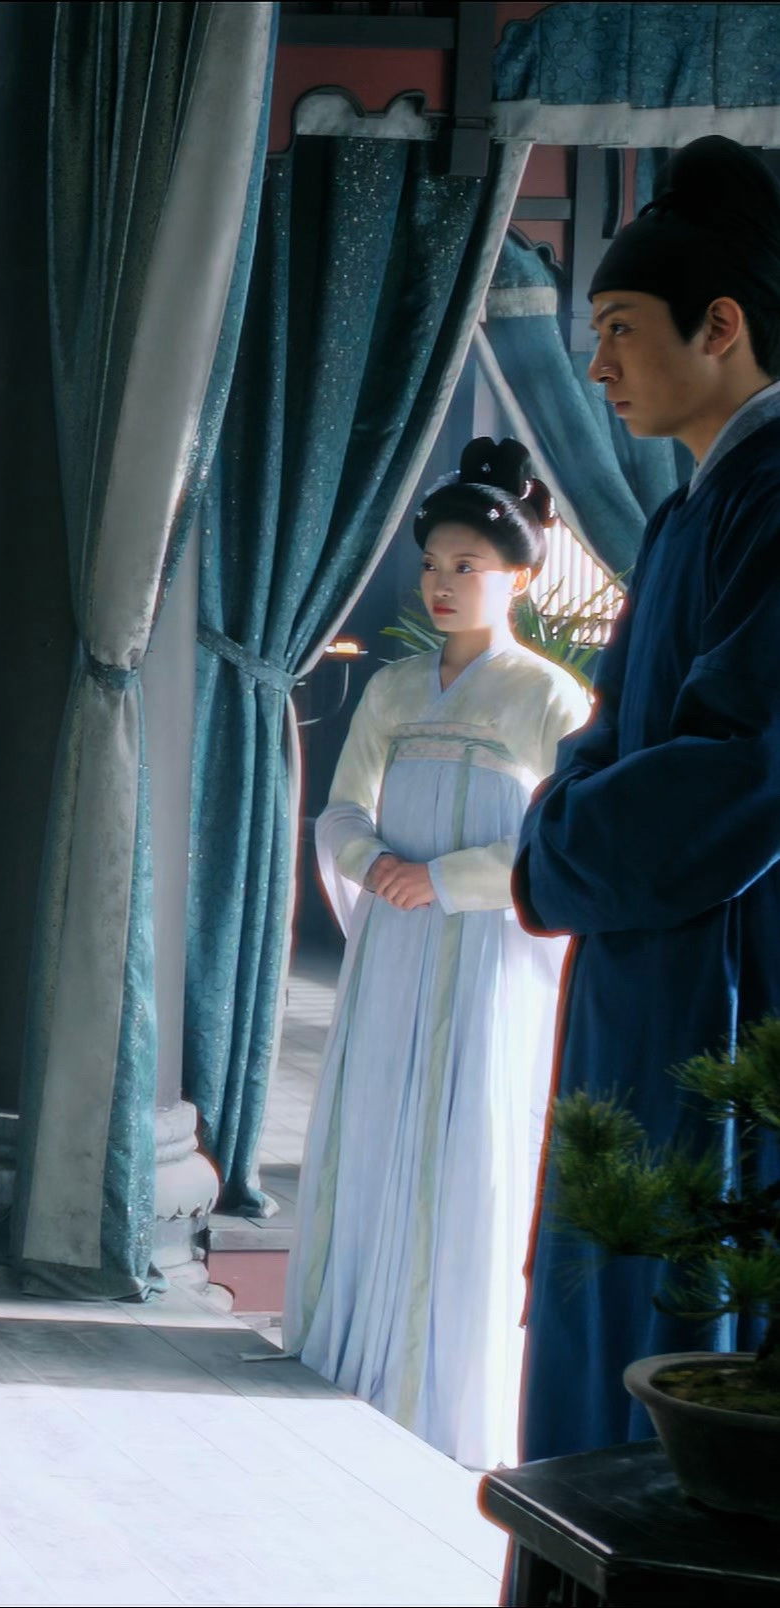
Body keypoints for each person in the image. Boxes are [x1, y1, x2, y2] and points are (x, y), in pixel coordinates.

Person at [516, 135, 780, 1460]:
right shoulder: (691, 511)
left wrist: (551, 849)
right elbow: (605, 736)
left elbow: (741, 771)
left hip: (719, 977)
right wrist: (565, 826)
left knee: (676, 1324)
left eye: (619, 328)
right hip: (644, 962)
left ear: (718, 326)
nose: (598, 366)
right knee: (606, 1302)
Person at [286, 438, 591, 1469]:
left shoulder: (551, 698)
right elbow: (341, 809)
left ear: (519, 580)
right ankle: (346, 1350)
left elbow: (562, 841)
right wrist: (372, 865)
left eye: (469, 566)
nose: (443, 583)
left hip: (486, 961)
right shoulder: (391, 690)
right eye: (432, 564)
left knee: (471, 1140)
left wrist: (450, 880)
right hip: (395, 950)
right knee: (374, 1120)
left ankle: (445, 1392)